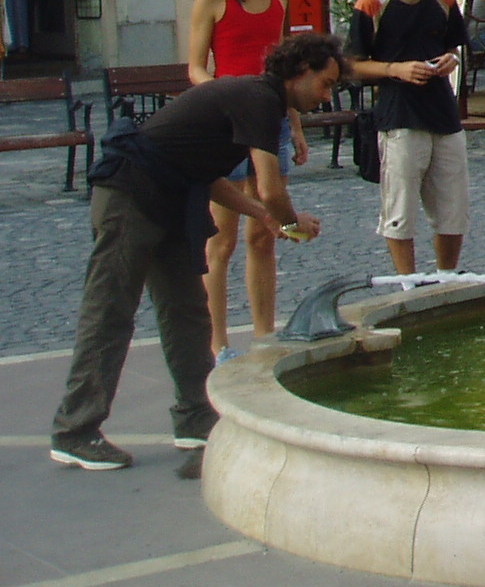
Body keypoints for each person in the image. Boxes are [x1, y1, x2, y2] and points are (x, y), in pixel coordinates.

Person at [50, 31, 336, 470]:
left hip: (171, 197)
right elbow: (270, 186)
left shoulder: (259, 100)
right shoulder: (260, 100)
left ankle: (196, 420)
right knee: (110, 310)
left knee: (187, 312)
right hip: (129, 195)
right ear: (300, 72)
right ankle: (75, 431)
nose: (327, 95)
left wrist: (263, 217)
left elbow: (206, 174)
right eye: (326, 83)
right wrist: (288, 221)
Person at [185, 0, 304, 362]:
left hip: (270, 120)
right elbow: (196, 67)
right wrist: (224, 97)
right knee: (222, 239)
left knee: (265, 234)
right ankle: (217, 343)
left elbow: (282, 68)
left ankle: (264, 335)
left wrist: (294, 123)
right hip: (228, 122)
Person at [349, 0, 468, 278]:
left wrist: (451, 59)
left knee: (453, 207)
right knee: (400, 209)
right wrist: (394, 69)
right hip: (399, 114)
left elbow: (454, 47)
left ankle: (446, 276)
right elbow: (352, 65)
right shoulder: (373, 3)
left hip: (443, 112)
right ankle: (408, 282)